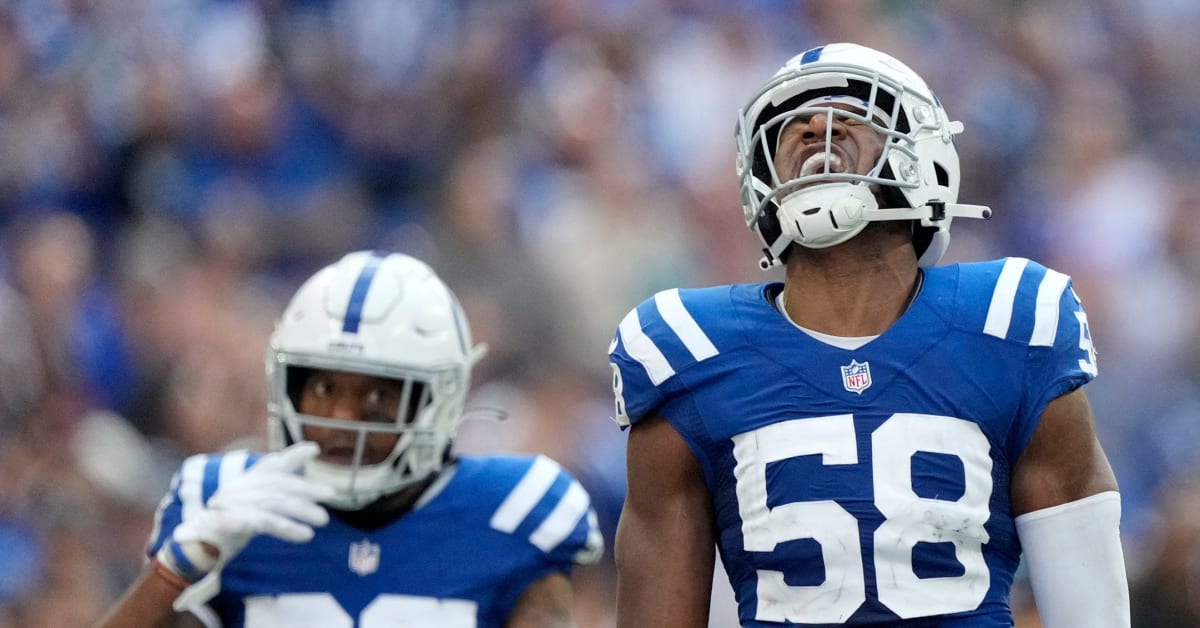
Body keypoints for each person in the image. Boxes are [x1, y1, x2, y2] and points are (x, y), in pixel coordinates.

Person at [608, 42, 1130, 627]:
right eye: (790, 127)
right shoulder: (688, 353)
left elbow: (1090, 608)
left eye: (851, 112)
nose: (813, 128)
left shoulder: (1012, 326)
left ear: (923, 156)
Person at [96, 250, 603, 628]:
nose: (343, 417)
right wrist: (174, 572)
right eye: (320, 387)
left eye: (380, 396)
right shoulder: (223, 501)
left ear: (439, 400)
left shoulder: (514, 510)